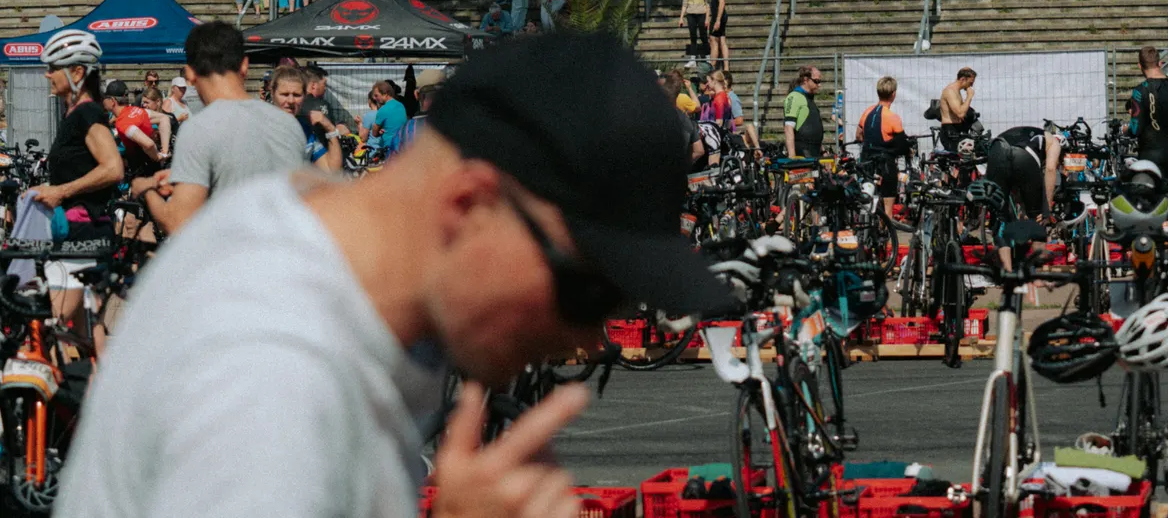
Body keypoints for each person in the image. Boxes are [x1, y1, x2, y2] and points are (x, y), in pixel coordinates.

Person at [56, 31, 733, 518]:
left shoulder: (282, 223)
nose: (590, 335)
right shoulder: (272, 387)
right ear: (468, 205)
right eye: (586, 287)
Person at [132, 21, 308, 235]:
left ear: (189, 75)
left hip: (233, 261)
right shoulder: (288, 124)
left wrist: (145, 187)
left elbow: (177, 222)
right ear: (244, 66)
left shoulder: (197, 129)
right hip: (288, 259)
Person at [31, 29, 124, 322]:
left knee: (54, 319)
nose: (48, 75)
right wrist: (47, 188)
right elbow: (80, 168)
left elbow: (113, 168)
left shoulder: (87, 114)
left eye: (52, 68)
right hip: (78, 229)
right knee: (85, 325)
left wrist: (61, 192)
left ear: (77, 71)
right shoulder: (75, 114)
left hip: (83, 231)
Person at [1128, 45, 1168, 177]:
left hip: (1149, 156)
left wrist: (1125, 129)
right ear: (1159, 63)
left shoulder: (1140, 90)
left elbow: (1135, 129)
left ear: (1140, 66)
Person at [273, 64, 343, 172]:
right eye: (285, 94)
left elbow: (331, 170)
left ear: (304, 96)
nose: (291, 101)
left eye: (297, 95)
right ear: (273, 94)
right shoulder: (260, 125)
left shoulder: (304, 129)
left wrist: (330, 128)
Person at [986, 124, 1062, 219]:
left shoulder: (1027, 131)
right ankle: (1033, 225)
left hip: (997, 148)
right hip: (1024, 153)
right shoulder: (1054, 142)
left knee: (998, 210)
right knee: (1037, 215)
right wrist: (1047, 207)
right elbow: (1050, 169)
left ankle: (998, 229)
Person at [856, 75, 910, 206]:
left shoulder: (867, 112)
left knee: (867, 198)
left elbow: (858, 135)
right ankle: (888, 222)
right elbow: (902, 145)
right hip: (885, 163)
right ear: (893, 94)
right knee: (888, 199)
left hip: (867, 159)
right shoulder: (893, 117)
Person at [104, 81, 162, 175]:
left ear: (112, 101)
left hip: (143, 173)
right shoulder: (136, 110)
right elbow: (163, 118)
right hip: (147, 168)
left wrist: (157, 157)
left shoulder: (123, 121)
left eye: (105, 98)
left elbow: (149, 144)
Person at [783, 64, 825, 158]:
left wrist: (823, 151)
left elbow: (813, 128)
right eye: (816, 81)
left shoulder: (809, 98)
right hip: (802, 150)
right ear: (806, 80)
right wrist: (792, 156)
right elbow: (788, 128)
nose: (819, 85)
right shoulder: (794, 97)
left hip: (814, 149)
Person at [362, 80, 409, 154]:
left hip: (390, 148)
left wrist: (378, 132)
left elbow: (374, 133)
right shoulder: (401, 106)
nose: (374, 98)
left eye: (376, 95)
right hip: (404, 146)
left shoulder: (382, 110)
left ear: (385, 94)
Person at [722, 69, 761, 157]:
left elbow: (739, 120)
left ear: (726, 83)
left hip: (732, 135)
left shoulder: (733, 98)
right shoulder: (723, 97)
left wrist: (723, 123)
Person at [938, 67, 978, 150]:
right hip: (950, 132)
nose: (971, 86)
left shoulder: (956, 91)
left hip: (958, 128)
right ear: (963, 79)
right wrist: (969, 96)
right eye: (970, 83)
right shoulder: (950, 91)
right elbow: (960, 114)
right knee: (968, 151)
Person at [680, 0, 710, 66]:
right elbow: (684, 4)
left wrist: (707, 18)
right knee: (693, 35)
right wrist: (681, 18)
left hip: (701, 13)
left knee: (703, 35)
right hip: (691, 14)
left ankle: (708, 57)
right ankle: (693, 59)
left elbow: (707, 4)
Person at [706, 0, 728, 67]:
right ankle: (726, 67)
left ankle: (712, 67)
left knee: (713, 41)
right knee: (722, 40)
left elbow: (722, 2)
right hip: (718, 16)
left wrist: (718, 20)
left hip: (719, 17)